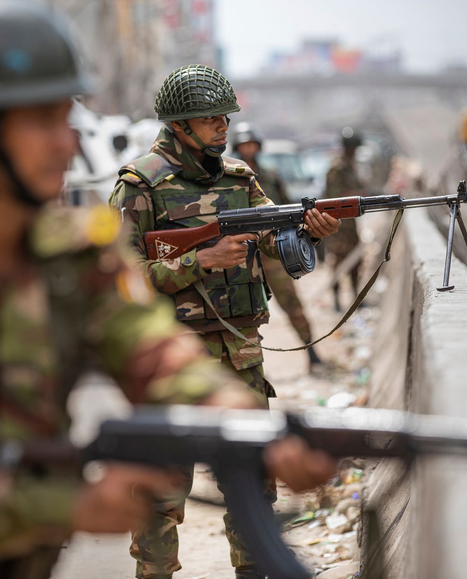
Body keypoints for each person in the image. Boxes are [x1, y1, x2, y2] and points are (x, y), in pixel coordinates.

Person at [0, 0, 335, 579]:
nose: (67, 144)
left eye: (65, 120)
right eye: (42, 123)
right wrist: (71, 505)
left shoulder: (73, 252)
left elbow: (155, 348)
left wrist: (241, 422)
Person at [109, 64, 340, 579]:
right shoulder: (140, 187)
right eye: (210, 119)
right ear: (180, 125)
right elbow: (117, 286)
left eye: (225, 118)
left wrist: (311, 230)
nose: (223, 127)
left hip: (240, 356)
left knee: (254, 483)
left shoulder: (240, 179)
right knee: (159, 494)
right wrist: (199, 261)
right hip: (169, 361)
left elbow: (278, 237)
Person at [230, 121, 324, 372]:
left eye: (252, 145)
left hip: (270, 247)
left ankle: (311, 350)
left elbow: (285, 207)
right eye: (244, 145)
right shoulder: (231, 178)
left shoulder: (269, 175)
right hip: (239, 251)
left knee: (290, 301)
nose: (248, 149)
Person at [325, 127, 365, 312]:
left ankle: (357, 296)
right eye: (351, 147)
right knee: (339, 262)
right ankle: (336, 301)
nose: (353, 151)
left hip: (350, 223)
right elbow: (333, 197)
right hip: (339, 224)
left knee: (356, 261)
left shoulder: (351, 165)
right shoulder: (338, 168)